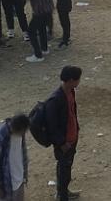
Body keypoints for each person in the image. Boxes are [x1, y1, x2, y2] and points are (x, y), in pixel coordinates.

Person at [44, 66, 82, 201]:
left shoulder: (70, 91)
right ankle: (62, 195)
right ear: (71, 80)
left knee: (67, 168)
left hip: (71, 138)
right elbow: (52, 126)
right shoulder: (55, 100)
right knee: (63, 169)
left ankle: (64, 192)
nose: (79, 82)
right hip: (64, 142)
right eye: (78, 79)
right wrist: (61, 143)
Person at [0, 113, 30, 201]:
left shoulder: (20, 133)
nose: (23, 134)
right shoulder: (0, 137)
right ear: (16, 129)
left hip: (19, 180)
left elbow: (22, 154)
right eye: (22, 132)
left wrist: (24, 175)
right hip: (6, 183)